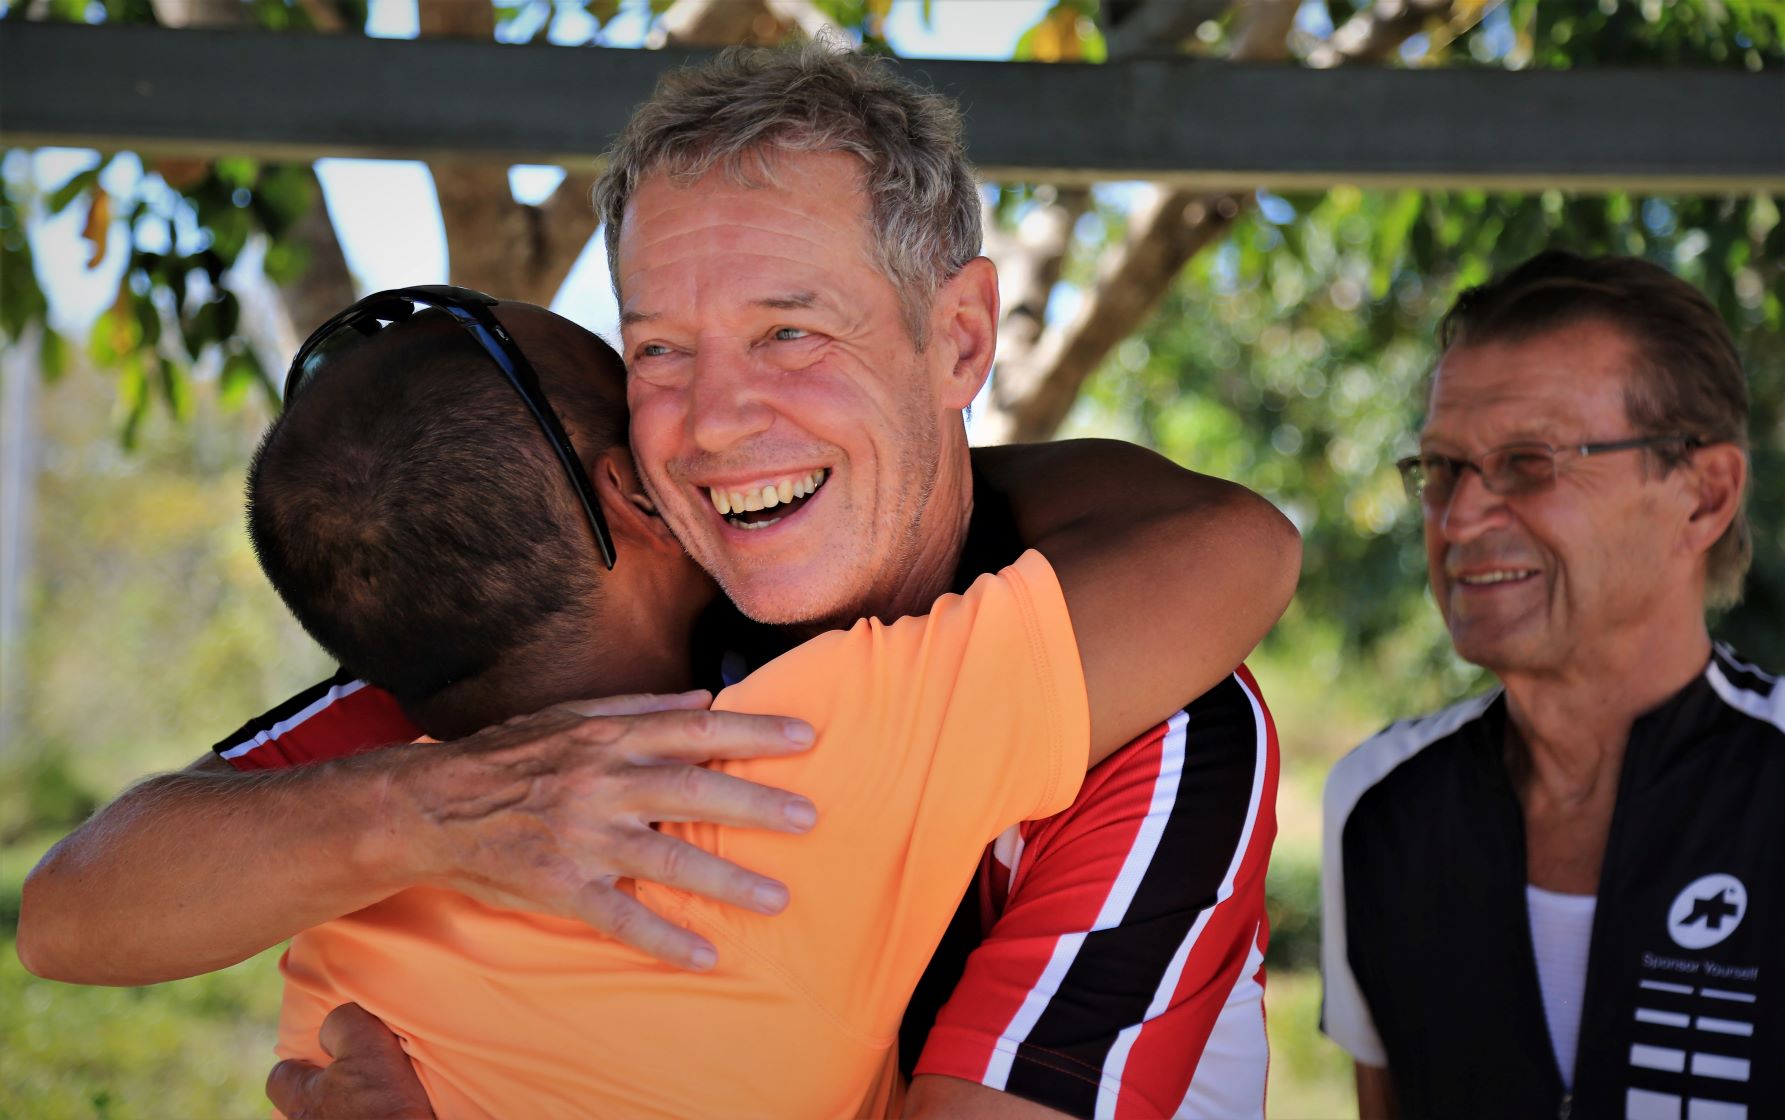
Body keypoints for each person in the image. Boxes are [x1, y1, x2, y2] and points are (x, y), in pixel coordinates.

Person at [20, 43, 1297, 1118]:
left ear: (959, 337)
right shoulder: (549, 676)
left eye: (789, 331)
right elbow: (76, 908)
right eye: (659, 352)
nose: (715, 423)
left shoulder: (1156, 709)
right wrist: (429, 809)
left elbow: (1234, 545)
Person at [241, 288, 1272, 1118]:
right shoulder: (791, 757)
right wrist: (857, 464)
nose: (704, 423)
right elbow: (1236, 546)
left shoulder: (325, 883)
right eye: (641, 374)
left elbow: (128, 872)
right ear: (638, 496)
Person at [1320, 251, 1782, 1120]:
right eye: (1440, 467)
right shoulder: (1380, 805)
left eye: (1528, 462)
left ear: (1702, 496)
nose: (1458, 519)